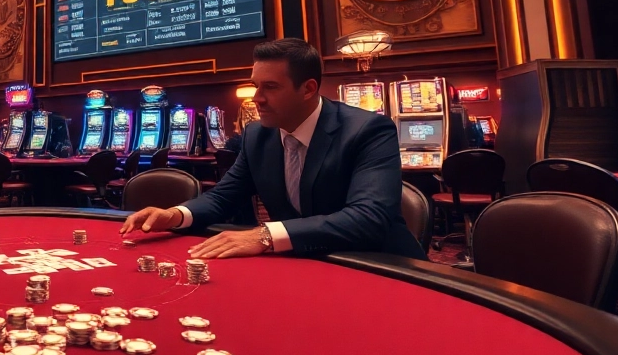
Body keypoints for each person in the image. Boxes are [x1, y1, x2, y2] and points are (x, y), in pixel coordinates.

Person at [121, 38, 425, 260]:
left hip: (381, 265)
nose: (257, 98)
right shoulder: (258, 135)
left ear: (308, 89)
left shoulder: (368, 130)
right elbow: (223, 198)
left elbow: (367, 218)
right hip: (304, 263)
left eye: (271, 87)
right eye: (256, 85)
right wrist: (175, 214)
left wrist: (266, 234)